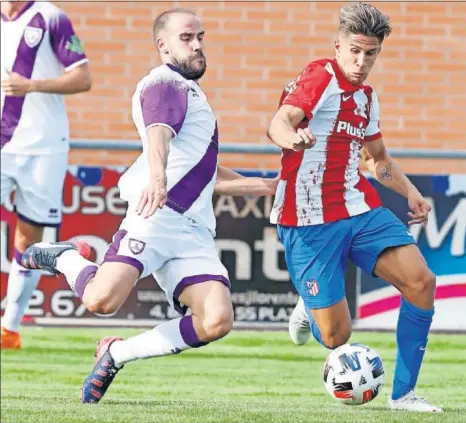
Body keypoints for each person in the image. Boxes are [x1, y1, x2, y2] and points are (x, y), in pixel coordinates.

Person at [20, 8, 277, 403]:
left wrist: (267, 185)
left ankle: (115, 354)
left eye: (200, 37)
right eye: (187, 38)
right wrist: (157, 178)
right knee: (100, 301)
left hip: (193, 232)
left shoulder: (194, 95)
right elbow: (159, 133)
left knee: (216, 320)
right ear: (163, 46)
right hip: (155, 217)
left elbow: (203, 170)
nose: (197, 45)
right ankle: (66, 256)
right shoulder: (163, 83)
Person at [267, 2, 442, 413]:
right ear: (338, 46)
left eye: (371, 54)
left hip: (356, 206)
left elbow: (378, 160)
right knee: (334, 338)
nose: (361, 62)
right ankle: (310, 307)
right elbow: (279, 121)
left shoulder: (366, 98)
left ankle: (404, 395)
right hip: (307, 218)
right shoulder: (319, 77)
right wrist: (292, 139)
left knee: (421, 282)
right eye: (355, 51)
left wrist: (410, 192)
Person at [1, 1, 92, 349]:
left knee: (29, 238)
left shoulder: (51, 17)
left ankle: (9, 329)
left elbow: (83, 78)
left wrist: (32, 85)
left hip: (43, 146)